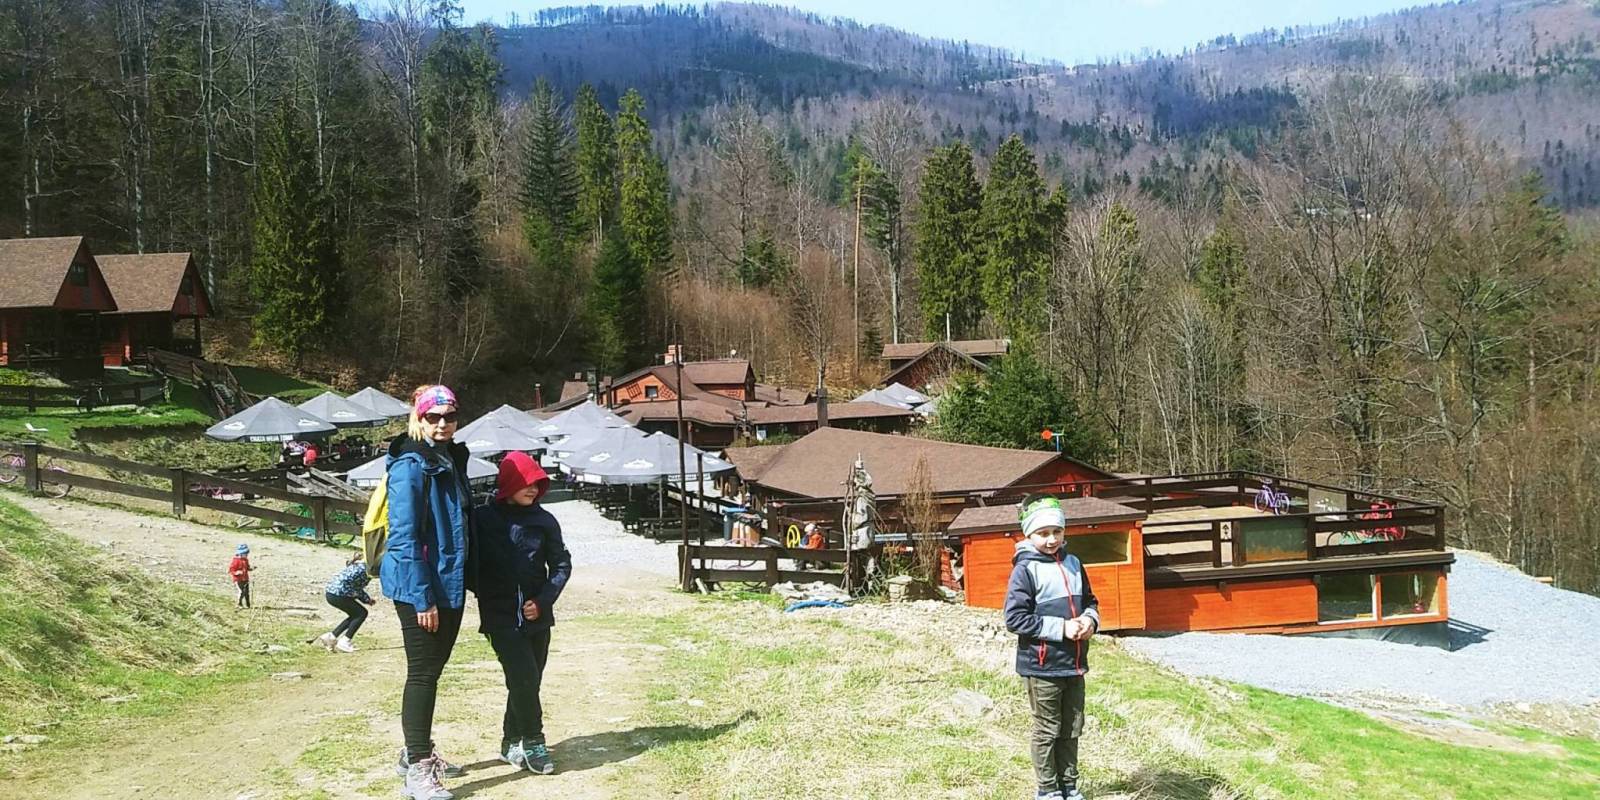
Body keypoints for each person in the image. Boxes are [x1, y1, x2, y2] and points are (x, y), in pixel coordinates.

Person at [381, 384, 473, 800]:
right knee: (422, 674)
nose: (442, 424)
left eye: (449, 417)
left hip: (448, 581)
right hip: (420, 586)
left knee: (432, 671)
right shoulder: (410, 465)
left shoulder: (449, 458)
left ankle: (414, 751)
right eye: (432, 417)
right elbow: (403, 538)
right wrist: (423, 597)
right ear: (418, 419)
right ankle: (418, 767)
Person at [471, 450, 571, 776]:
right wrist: (485, 591)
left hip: (537, 615)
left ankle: (509, 741)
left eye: (538, 483)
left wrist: (543, 600)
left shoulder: (545, 520)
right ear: (509, 483)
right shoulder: (482, 519)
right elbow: (468, 561)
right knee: (524, 677)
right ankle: (534, 742)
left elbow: (561, 565)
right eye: (526, 482)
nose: (533, 489)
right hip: (500, 616)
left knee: (528, 681)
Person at [1003, 494, 1099, 800]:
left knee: (1072, 728)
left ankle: (1069, 786)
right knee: (1048, 729)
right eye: (1043, 533)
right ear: (1028, 534)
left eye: (1057, 531)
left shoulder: (1074, 564)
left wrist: (1089, 621)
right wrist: (1062, 628)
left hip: (1074, 664)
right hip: (1042, 666)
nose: (1051, 539)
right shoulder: (1025, 570)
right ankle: (1048, 790)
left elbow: (1091, 601)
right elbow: (1015, 618)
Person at [316, 554, 376, 653]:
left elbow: (355, 587)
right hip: (338, 595)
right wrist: (366, 600)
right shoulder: (364, 571)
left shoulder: (359, 566)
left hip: (331, 593)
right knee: (361, 613)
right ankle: (345, 641)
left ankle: (331, 637)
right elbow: (357, 588)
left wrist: (366, 599)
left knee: (355, 614)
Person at [228, 543, 253, 609]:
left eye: (247, 554)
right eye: (245, 554)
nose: (246, 555)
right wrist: (236, 572)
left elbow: (247, 568)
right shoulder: (236, 561)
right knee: (241, 592)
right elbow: (231, 569)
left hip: (245, 578)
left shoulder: (246, 560)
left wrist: (251, 569)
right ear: (240, 554)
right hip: (238, 579)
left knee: (247, 592)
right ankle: (239, 604)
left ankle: (248, 604)